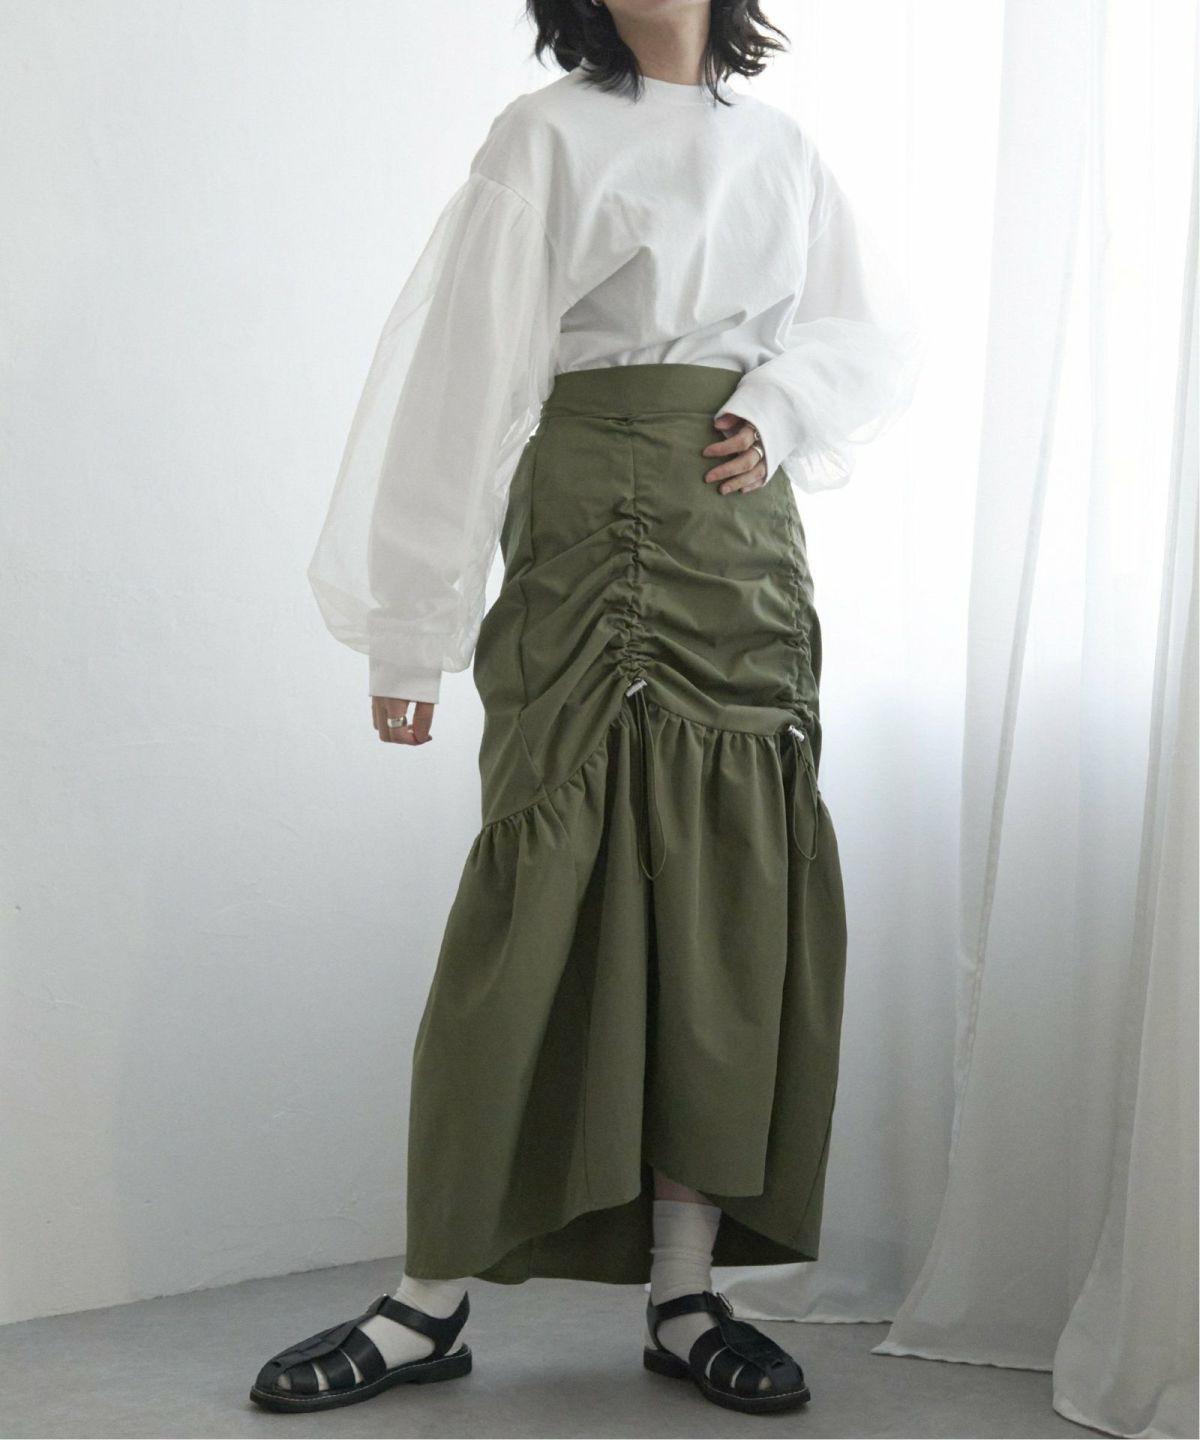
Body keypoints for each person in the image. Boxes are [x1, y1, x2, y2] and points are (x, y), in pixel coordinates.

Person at [251, 0, 921, 1419]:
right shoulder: (543, 136)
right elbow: (461, 381)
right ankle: (428, 1298)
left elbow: (863, 337)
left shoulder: (785, 150)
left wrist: (781, 407)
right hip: (582, 537)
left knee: (726, 909)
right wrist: (411, 631)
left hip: (740, 553)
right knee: (535, 903)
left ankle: (686, 1292)